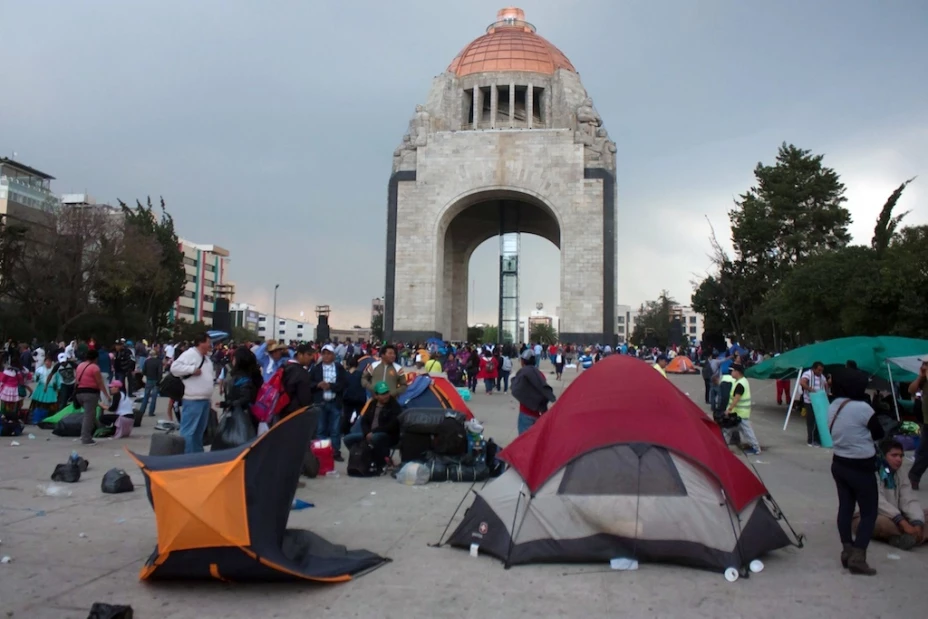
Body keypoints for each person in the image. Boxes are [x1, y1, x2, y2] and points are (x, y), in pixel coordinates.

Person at [828, 367, 885, 575]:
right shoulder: (863, 408)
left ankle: (847, 550)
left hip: (839, 463)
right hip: (861, 466)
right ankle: (858, 557)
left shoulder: (833, 405)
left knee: (845, 507)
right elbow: (878, 433)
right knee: (869, 512)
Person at [853, 438, 926, 550]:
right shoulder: (870, 471)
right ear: (883, 456)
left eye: (901, 456)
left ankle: (908, 536)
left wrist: (917, 523)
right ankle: (909, 536)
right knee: (880, 523)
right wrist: (901, 521)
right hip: (871, 515)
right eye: (894, 455)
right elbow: (877, 501)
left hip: (898, 515)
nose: (899, 459)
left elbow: (908, 499)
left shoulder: (900, 472)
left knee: (921, 516)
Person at [343, 381, 401, 474]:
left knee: (376, 437)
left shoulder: (394, 406)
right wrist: (367, 433)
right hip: (369, 433)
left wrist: (373, 432)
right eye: (382, 394)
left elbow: (392, 425)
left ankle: (381, 461)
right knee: (347, 439)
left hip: (388, 435)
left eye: (387, 393)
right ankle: (364, 456)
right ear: (376, 395)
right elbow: (364, 421)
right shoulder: (372, 404)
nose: (386, 396)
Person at [170, 332, 214, 454]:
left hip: (204, 400)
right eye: (208, 342)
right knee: (189, 431)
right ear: (200, 343)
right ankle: (188, 456)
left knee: (199, 432)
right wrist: (191, 370)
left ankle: (197, 455)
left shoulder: (206, 358)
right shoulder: (190, 354)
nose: (210, 345)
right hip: (193, 400)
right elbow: (174, 368)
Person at [309, 344, 348, 461]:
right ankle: (322, 452)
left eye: (329, 354)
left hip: (334, 402)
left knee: (335, 430)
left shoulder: (339, 368)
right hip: (320, 402)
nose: (326, 356)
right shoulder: (316, 368)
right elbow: (309, 383)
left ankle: (335, 452)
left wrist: (330, 386)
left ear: (333, 355)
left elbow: (344, 384)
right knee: (321, 429)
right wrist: (318, 385)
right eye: (324, 354)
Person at [510, 350, 556, 435]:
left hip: (526, 412)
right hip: (539, 413)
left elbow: (515, 389)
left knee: (524, 438)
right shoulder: (539, 374)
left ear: (523, 361)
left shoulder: (523, 372)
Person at [721, 363, 761, 455]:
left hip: (740, 414)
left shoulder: (740, 384)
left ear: (737, 372)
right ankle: (722, 445)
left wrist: (729, 409)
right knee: (727, 429)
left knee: (746, 431)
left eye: (732, 371)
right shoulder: (740, 381)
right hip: (736, 413)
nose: (731, 373)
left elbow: (736, 398)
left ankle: (756, 448)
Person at [74, 350, 111, 445]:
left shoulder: (80, 366)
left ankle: (94, 430)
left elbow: (76, 380)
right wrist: (107, 395)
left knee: (90, 415)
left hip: (79, 393)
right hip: (90, 394)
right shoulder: (94, 368)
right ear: (96, 358)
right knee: (89, 416)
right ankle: (86, 438)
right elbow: (100, 383)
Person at [221, 346, 263, 423]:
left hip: (242, 416)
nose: (232, 360)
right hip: (248, 414)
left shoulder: (243, 378)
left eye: (234, 357)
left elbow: (245, 398)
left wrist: (228, 404)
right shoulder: (252, 374)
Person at [907, 360, 927, 490]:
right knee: (923, 451)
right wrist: (920, 376)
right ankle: (914, 477)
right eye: (923, 364)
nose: (924, 366)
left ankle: (914, 476)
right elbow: (911, 390)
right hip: (926, 421)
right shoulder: (923, 380)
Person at [801, 361, 827, 447]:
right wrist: (810, 389)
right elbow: (802, 382)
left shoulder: (822, 377)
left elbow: (826, 385)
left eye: (821, 370)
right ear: (813, 369)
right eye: (818, 370)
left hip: (819, 401)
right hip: (809, 401)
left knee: (818, 421)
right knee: (811, 421)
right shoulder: (808, 374)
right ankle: (810, 440)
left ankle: (816, 439)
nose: (820, 372)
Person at [0, 355, 31, 422]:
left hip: (7, 390)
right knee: (14, 403)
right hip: (15, 390)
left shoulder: (7, 371)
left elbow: (2, 380)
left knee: (5, 402)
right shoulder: (20, 371)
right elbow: (23, 381)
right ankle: (13, 416)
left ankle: (4, 415)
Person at [30, 354, 60, 419]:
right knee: (39, 404)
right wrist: (36, 377)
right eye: (46, 361)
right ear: (44, 362)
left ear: (51, 362)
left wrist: (58, 388)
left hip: (51, 390)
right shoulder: (39, 370)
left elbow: (58, 380)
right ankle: (38, 417)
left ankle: (49, 418)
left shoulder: (55, 370)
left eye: (49, 361)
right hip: (41, 389)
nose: (47, 363)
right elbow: (35, 379)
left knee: (51, 405)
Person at [140, 345, 163, 418]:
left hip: (149, 379)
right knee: (154, 397)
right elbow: (160, 372)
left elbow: (143, 371)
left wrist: (147, 375)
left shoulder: (147, 361)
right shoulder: (159, 362)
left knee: (146, 396)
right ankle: (151, 412)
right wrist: (159, 380)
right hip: (156, 380)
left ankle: (142, 411)